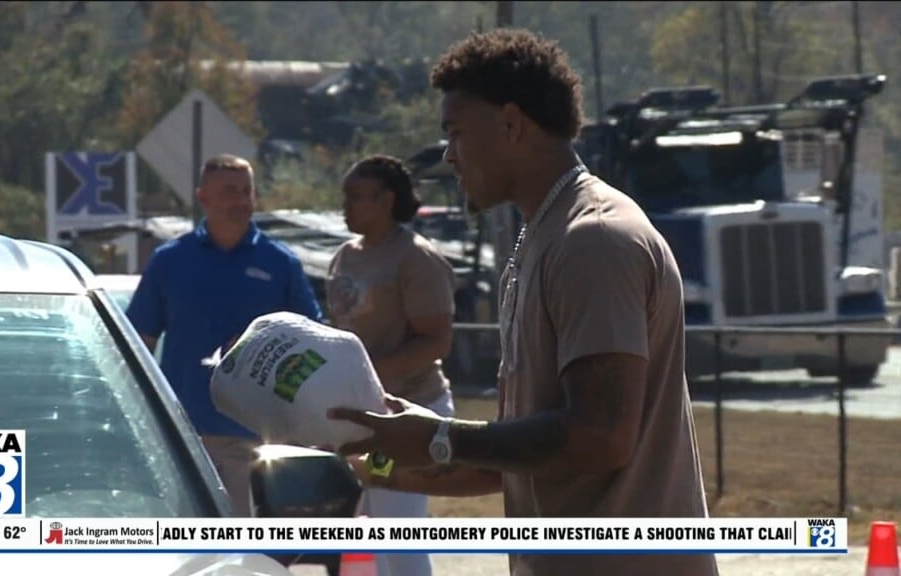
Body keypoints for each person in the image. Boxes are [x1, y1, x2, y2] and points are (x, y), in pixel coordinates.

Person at [328, 29, 719, 576]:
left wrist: (440, 437)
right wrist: (378, 461)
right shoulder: (543, 237)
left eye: (457, 133)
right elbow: (518, 461)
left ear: (511, 124)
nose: (449, 155)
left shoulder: (595, 239)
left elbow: (600, 437)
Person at [126, 154, 324, 518]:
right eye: (230, 191)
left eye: (247, 191)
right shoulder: (170, 261)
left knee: (238, 545)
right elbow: (139, 344)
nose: (241, 201)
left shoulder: (279, 263)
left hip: (251, 435)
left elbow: (313, 339)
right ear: (203, 198)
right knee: (181, 546)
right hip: (181, 434)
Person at [326, 154, 458, 576]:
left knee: (397, 531)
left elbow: (436, 340)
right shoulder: (345, 255)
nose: (344, 205)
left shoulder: (415, 258)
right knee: (370, 528)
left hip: (411, 417)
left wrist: (367, 374)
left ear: (385, 200)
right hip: (363, 418)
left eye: (354, 196)